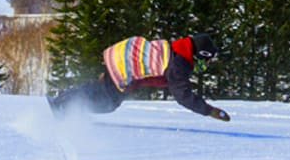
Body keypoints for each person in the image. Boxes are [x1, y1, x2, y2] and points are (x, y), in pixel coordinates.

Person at [48, 32, 230, 122]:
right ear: (200, 55)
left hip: (124, 54)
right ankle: (65, 105)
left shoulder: (178, 50)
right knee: (108, 103)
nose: (206, 66)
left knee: (103, 92)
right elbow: (183, 95)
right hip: (125, 64)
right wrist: (209, 110)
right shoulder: (179, 64)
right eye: (207, 61)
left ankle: (66, 101)